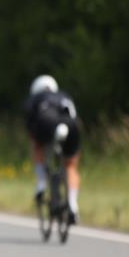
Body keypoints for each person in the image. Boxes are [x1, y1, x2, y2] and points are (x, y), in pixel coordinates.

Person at [25, 74, 82, 224]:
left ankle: (42, 183)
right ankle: (73, 205)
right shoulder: (64, 96)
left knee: (37, 146)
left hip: (46, 122)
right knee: (71, 165)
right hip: (71, 125)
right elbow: (74, 115)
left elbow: (30, 125)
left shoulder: (35, 98)